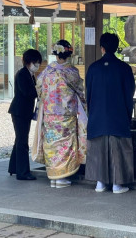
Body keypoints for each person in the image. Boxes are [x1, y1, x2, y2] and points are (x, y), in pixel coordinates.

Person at [85, 32, 136, 194]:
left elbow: (89, 94)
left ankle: (100, 183)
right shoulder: (124, 68)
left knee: (98, 148)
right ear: (116, 47)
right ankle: (117, 184)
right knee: (118, 149)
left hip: (97, 116)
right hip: (118, 115)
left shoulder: (93, 68)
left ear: (102, 48)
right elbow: (130, 92)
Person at [36, 40, 86, 188]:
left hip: (50, 114)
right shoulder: (71, 72)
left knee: (51, 144)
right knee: (65, 144)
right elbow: (80, 90)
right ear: (69, 53)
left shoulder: (47, 70)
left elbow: (39, 86)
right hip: (65, 114)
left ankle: (53, 176)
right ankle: (62, 177)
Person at [8, 49, 42, 180]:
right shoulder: (22, 74)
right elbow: (27, 92)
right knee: (22, 141)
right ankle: (23, 172)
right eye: (35, 62)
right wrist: (39, 90)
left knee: (19, 139)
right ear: (29, 62)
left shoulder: (30, 74)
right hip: (19, 111)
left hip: (24, 111)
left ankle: (14, 168)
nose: (37, 65)